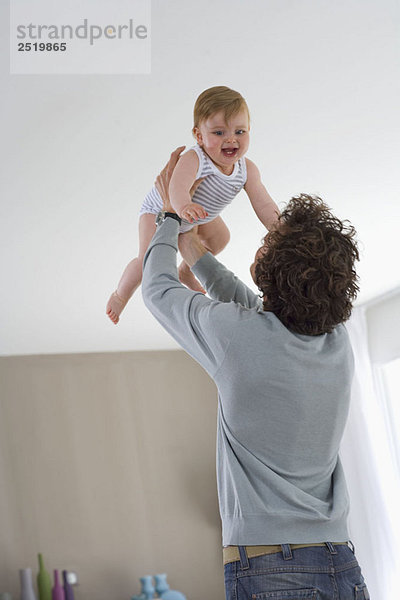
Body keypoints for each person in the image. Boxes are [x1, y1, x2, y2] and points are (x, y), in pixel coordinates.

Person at [141, 148, 371, 600]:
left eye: (271, 243)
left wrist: (168, 216)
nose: (265, 238)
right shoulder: (336, 342)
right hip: (340, 561)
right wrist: (197, 254)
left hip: (272, 569)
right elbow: (257, 316)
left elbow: (158, 289)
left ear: (274, 270)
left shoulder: (238, 336)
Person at [106, 85, 280, 324]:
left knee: (221, 238)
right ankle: (120, 295)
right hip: (162, 211)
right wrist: (184, 206)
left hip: (201, 215)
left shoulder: (246, 169)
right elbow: (176, 188)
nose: (231, 139)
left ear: (249, 130)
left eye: (240, 131)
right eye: (219, 133)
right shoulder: (195, 158)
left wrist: (279, 228)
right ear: (199, 136)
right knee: (146, 258)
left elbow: (263, 203)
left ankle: (186, 271)